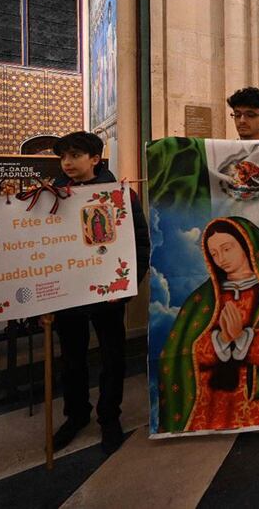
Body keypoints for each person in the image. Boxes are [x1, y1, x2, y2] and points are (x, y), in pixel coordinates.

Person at [157, 216, 259, 432]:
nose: (221, 259)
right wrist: (222, 340)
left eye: (227, 249)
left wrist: (246, 338)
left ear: (247, 245)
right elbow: (178, 352)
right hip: (210, 403)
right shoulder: (202, 299)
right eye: (214, 254)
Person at [51, 131, 150, 454]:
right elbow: (38, 248)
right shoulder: (50, 197)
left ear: (95, 158)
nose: (67, 163)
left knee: (112, 358)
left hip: (107, 294)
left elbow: (139, 243)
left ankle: (109, 416)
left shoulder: (118, 196)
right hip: (67, 293)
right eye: (63, 157)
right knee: (71, 359)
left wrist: (126, 287)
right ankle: (75, 415)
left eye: (75, 156)